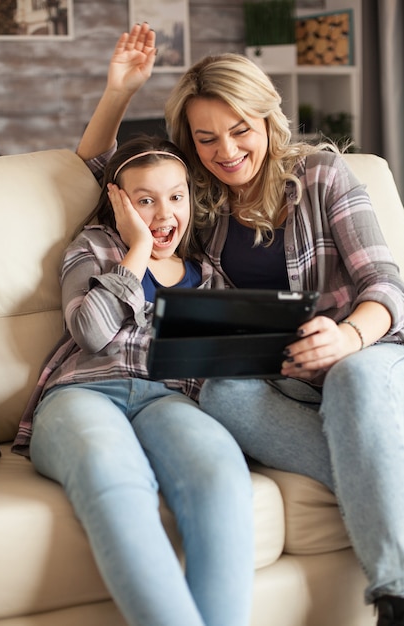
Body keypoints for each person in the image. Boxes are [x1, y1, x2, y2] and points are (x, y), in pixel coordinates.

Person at [77, 23, 404, 626]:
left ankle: (394, 594)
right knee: (223, 396)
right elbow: (105, 176)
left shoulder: (325, 178)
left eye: (239, 131)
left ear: (268, 118)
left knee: (355, 381)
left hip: (367, 348)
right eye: (206, 139)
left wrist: (347, 337)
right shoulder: (198, 199)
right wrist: (118, 91)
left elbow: (386, 285)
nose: (225, 151)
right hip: (281, 373)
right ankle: (384, 472)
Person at [12, 132, 254, 626]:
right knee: (113, 474)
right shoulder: (94, 248)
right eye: (145, 200)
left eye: (175, 196)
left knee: (222, 477)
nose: (164, 214)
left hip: (166, 399)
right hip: (82, 394)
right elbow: (92, 334)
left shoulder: (206, 271)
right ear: (118, 203)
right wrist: (138, 247)